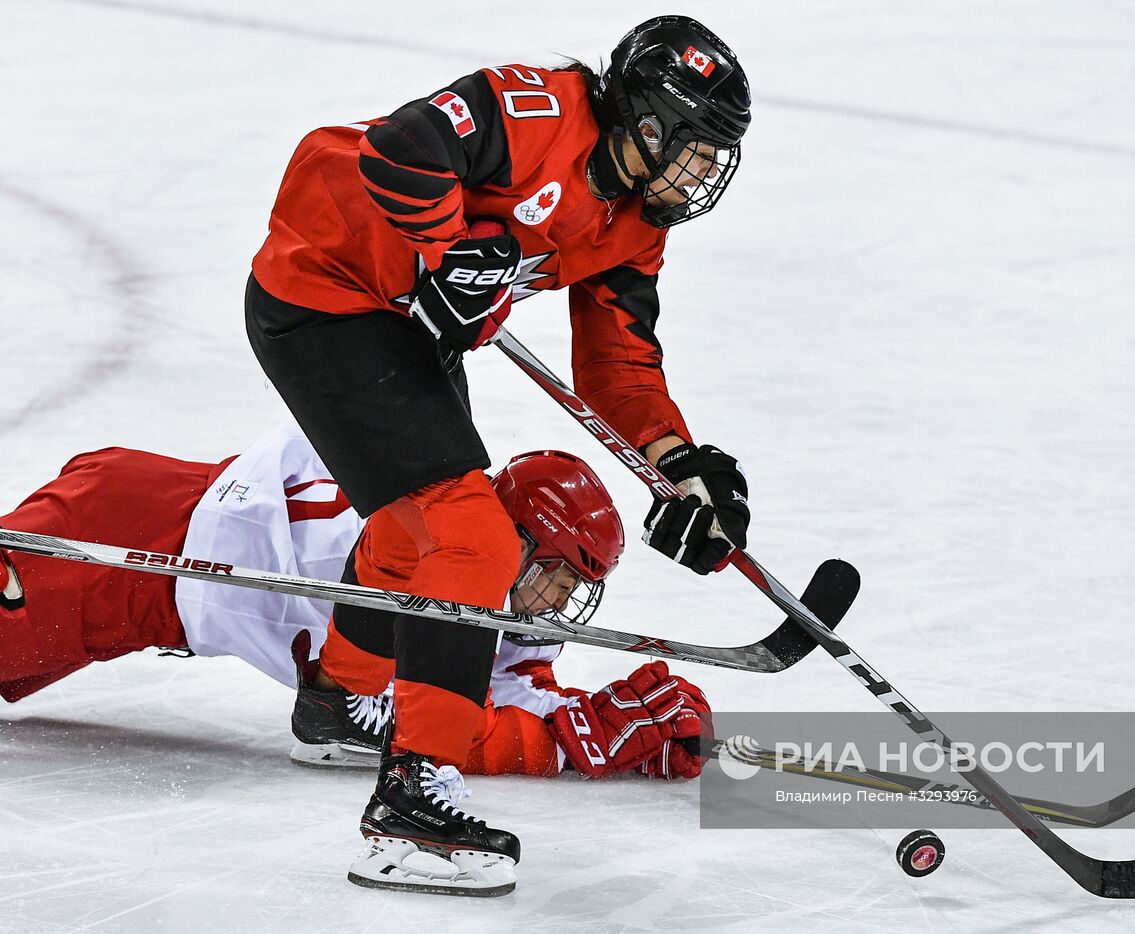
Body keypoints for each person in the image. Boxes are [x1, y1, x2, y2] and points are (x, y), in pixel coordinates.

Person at [241, 15, 751, 893]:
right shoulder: (539, 112)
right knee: (471, 539)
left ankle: (336, 704)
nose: (703, 175)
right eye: (697, 150)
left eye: (715, 161)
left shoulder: (636, 225)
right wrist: (448, 253)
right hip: (325, 290)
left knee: (412, 535)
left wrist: (680, 464)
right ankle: (411, 805)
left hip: (406, 326)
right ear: (647, 123)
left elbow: (619, 362)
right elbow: (401, 148)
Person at [0, 423, 711, 895]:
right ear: (516, 541)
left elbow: (505, 689)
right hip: (120, 546)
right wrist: (562, 746)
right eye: (556, 573)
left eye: (575, 585)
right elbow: (441, 716)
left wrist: (602, 730)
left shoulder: (483, 565)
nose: (558, 599)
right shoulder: (422, 557)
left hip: (147, 572)